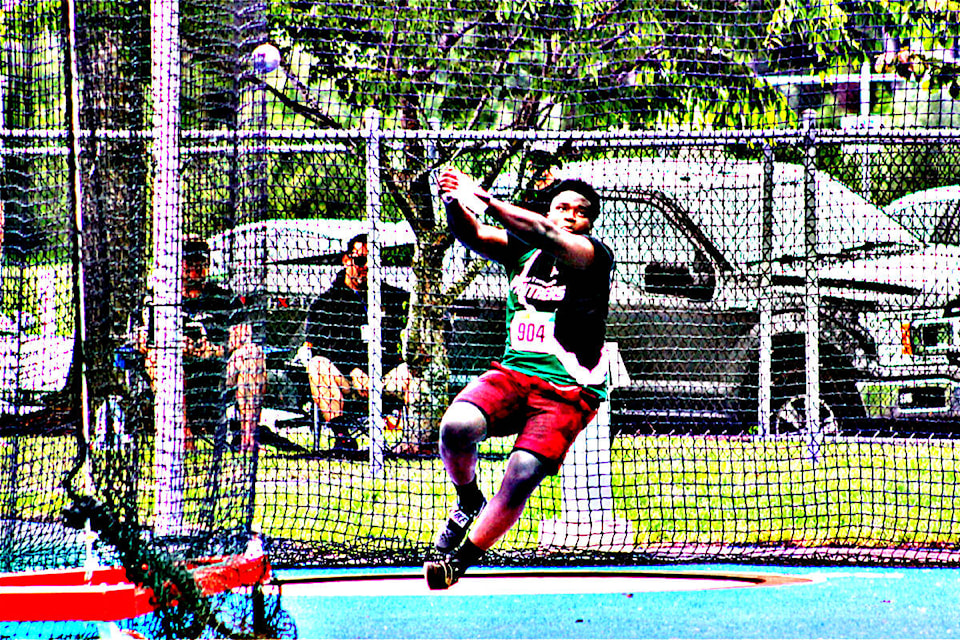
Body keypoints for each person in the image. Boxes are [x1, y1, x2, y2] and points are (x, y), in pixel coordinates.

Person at [424, 168, 615, 590]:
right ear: (549, 208)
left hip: (568, 390)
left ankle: (461, 560)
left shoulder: (592, 256)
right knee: (456, 428)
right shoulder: (523, 253)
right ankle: (468, 499)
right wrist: (455, 201)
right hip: (514, 374)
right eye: (561, 207)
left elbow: (546, 233)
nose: (569, 216)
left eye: (580, 212)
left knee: (522, 473)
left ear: (590, 223)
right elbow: (472, 235)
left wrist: (486, 197)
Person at [139, 236, 266, 452]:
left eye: (201, 262)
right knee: (154, 358)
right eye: (190, 262)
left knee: (252, 354)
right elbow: (143, 341)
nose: (196, 268)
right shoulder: (158, 298)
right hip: (177, 370)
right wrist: (176, 346)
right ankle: (183, 435)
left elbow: (244, 333)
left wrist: (217, 349)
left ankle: (248, 440)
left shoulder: (224, 297)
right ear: (178, 263)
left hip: (218, 371)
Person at [297, 233, 414, 451]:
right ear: (346, 260)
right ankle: (342, 437)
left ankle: (415, 441)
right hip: (345, 380)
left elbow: (400, 341)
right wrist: (353, 369)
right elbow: (321, 345)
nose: (366, 266)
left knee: (414, 372)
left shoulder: (396, 298)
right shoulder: (325, 303)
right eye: (360, 260)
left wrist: (375, 374)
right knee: (317, 366)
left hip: (384, 377)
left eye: (374, 261)